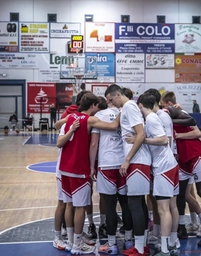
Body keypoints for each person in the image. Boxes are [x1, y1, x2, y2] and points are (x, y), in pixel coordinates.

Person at [57, 93, 120, 254]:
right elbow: (113, 126)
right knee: (80, 208)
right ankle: (77, 246)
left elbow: (58, 131)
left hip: (64, 168)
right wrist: (123, 112)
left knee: (69, 205)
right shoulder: (89, 120)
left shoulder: (71, 117)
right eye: (96, 107)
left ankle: (71, 241)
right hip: (79, 169)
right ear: (92, 106)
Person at [160, 91, 201, 247]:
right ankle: (181, 227)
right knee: (180, 194)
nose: (162, 108)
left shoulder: (181, 113)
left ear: (169, 105)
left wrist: (178, 136)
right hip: (182, 160)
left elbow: (197, 132)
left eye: (163, 105)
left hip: (195, 155)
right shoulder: (165, 117)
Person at [127, 93, 179, 256]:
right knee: (168, 207)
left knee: (164, 209)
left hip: (164, 167)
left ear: (141, 106)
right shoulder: (152, 118)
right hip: (167, 165)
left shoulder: (151, 119)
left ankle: (165, 248)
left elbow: (164, 140)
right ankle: (169, 244)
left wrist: (141, 140)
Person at [105, 84, 151, 256]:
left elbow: (140, 134)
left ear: (118, 94)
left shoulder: (130, 106)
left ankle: (140, 249)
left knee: (134, 204)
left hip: (137, 161)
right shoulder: (126, 108)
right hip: (137, 160)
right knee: (138, 203)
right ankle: (142, 244)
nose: (111, 103)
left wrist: (127, 159)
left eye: (111, 99)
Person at [89, 100, 134, 255]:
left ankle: (112, 244)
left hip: (107, 164)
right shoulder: (125, 114)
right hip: (123, 164)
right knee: (125, 204)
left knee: (109, 206)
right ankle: (129, 241)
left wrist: (91, 166)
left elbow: (94, 144)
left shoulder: (99, 116)